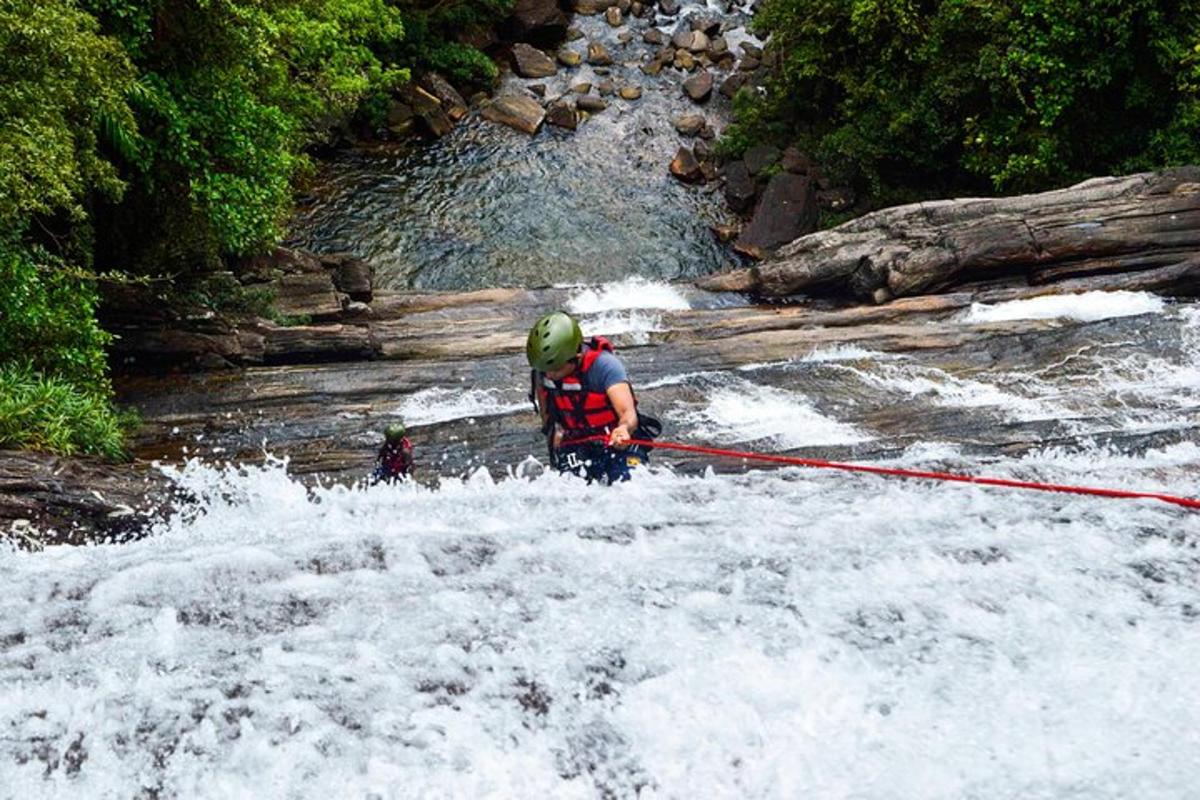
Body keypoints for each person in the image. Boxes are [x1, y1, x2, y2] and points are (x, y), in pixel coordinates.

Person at [526, 311, 658, 484]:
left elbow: (628, 412)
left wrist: (624, 429)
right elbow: (548, 418)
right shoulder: (543, 371)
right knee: (569, 488)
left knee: (627, 484)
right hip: (577, 442)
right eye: (545, 370)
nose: (549, 375)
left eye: (556, 369)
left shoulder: (605, 366)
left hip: (617, 441)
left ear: (576, 356)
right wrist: (555, 440)